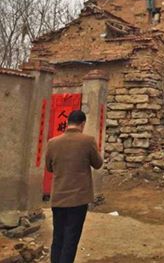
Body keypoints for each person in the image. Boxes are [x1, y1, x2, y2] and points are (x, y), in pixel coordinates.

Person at [45, 110, 103, 263]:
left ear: (68, 123)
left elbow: (49, 168)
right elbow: (98, 164)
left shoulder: (52, 142)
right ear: (82, 124)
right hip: (78, 199)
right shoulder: (88, 141)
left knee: (58, 237)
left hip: (58, 198)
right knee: (71, 239)